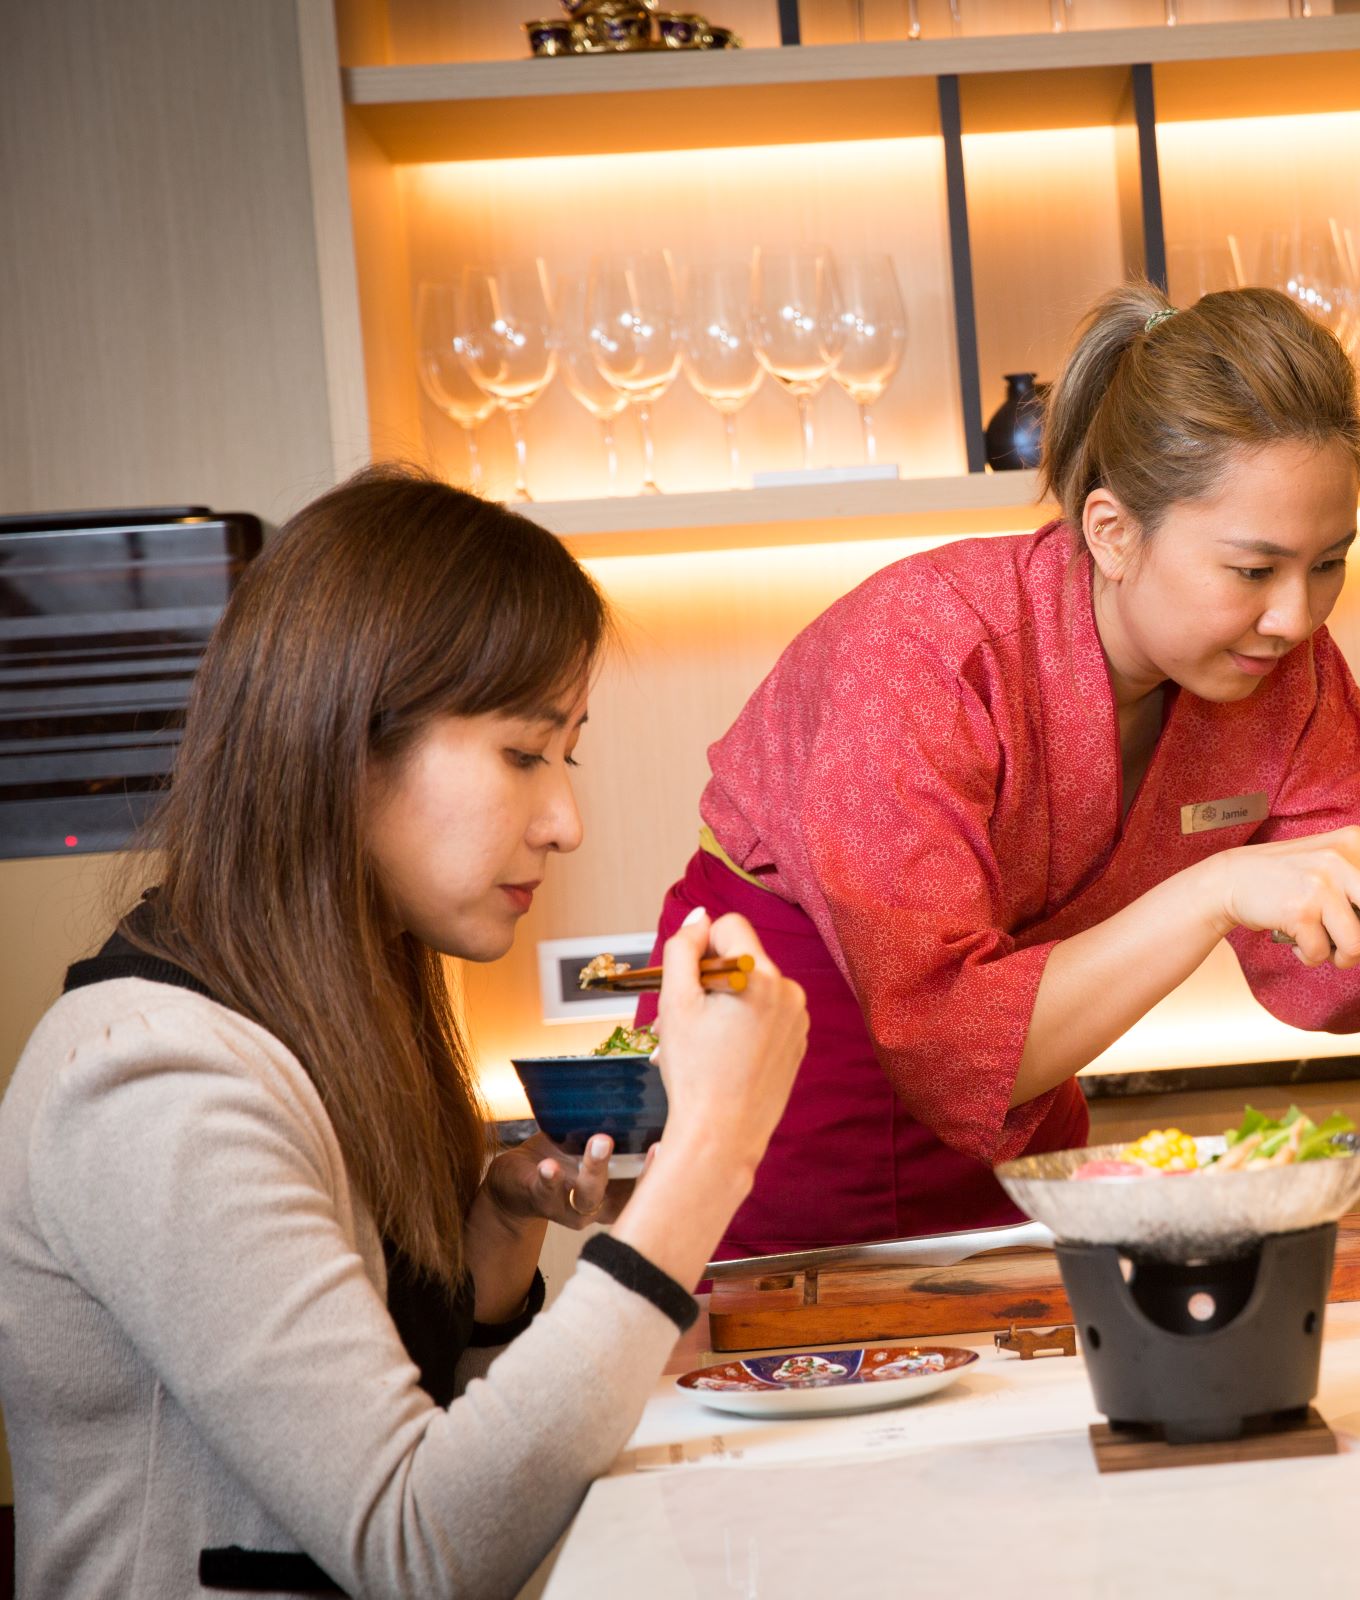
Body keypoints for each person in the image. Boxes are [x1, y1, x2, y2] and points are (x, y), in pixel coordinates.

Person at [638, 284, 1360, 1258]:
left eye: (1328, 563)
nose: (1297, 616)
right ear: (1112, 531)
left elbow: (1349, 968)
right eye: (1253, 571)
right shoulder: (925, 648)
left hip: (1029, 1097)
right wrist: (1213, 891)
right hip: (786, 1076)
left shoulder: (1279, 669)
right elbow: (953, 1043)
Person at [0, 468, 810, 1597]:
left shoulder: (320, 1023)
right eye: (526, 754)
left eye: (565, 757)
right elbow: (419, 1546)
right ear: (346, 741)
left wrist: (490, 1246)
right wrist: (710, 1151)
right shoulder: (151, 1077)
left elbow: (415, 1428)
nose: (565, 819)